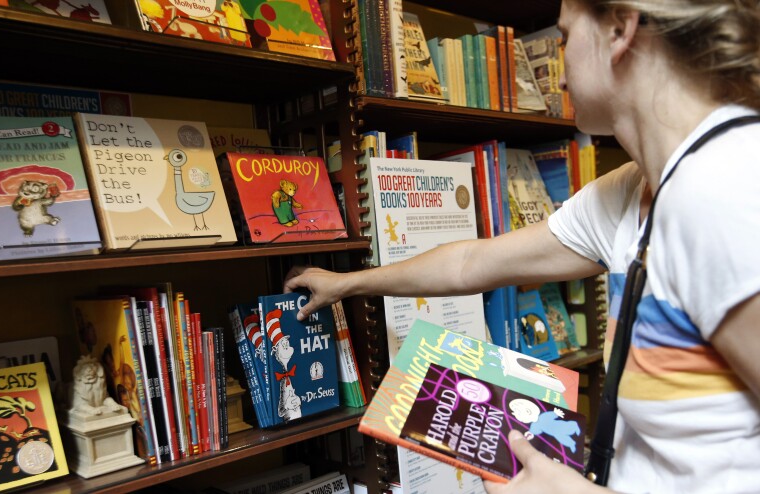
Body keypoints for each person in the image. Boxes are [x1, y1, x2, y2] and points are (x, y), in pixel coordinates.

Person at [284, 0, 760, 491]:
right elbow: (471, 262)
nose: (556, 76)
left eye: (564, 38)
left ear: (619, 30)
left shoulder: (725, 190)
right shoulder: (629, 192)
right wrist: (348, 283)